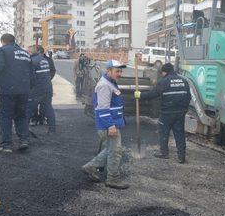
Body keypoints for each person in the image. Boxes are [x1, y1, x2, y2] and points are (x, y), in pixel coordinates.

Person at [81, 60, 129, 189]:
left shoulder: (110, 83)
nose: (119, 73)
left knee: (111, 149)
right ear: (108, 71)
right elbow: (102, 109)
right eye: (116, 71)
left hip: (112, 123)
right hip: (109, 125)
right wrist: (110, 126)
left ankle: (90, 167)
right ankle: (113, 179)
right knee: (115, 152)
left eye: (120, 71)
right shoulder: (104, 85)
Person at [0, 33, 32, 152]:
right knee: (21, 116)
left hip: (8, 90)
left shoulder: (2, 50)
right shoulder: (25, 53)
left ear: (3, 41)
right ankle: (24, 141)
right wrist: (28, 88)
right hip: (24, 91)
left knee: (5, 116)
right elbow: (32, 73)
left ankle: (6, 145)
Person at [135, 62, 190, 163]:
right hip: (180, 113)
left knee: (164, 132)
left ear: (165, 72)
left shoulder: (164, 81)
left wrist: (140, 95)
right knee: (179, 134)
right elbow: (188, 97)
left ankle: (164, 153)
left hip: (167, 113)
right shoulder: (184, 81)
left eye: (162, 72)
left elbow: (154, 93)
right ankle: (181, 156)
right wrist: (184, 110)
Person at [26, 45, 56, 133]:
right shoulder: (44, 60)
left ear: (31, 52)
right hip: (48, 88)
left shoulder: (32, 61)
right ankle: (52, 129)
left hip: (37, 89)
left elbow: (30, 77)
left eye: (28, 52)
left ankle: (24, 130)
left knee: (28, 109)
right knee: (48, 108)